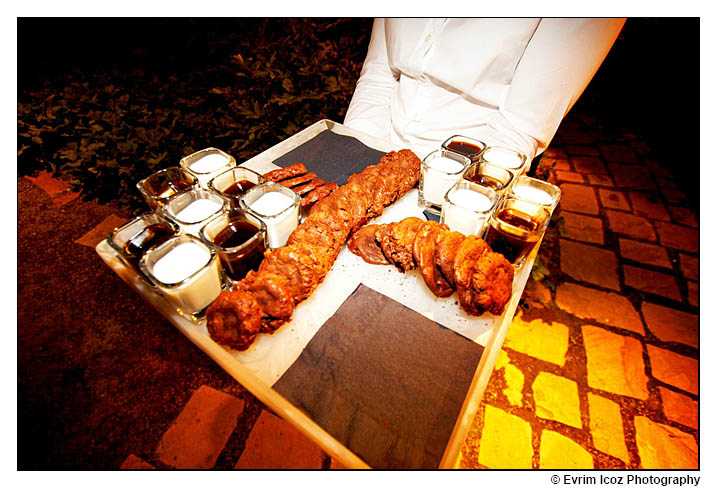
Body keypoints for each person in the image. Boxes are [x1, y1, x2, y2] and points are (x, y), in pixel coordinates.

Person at [343, 18, 626, 162]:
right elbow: (379, 77)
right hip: (375, 144)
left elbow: (518, 131)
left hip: (469, 173)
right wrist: (355, 161)